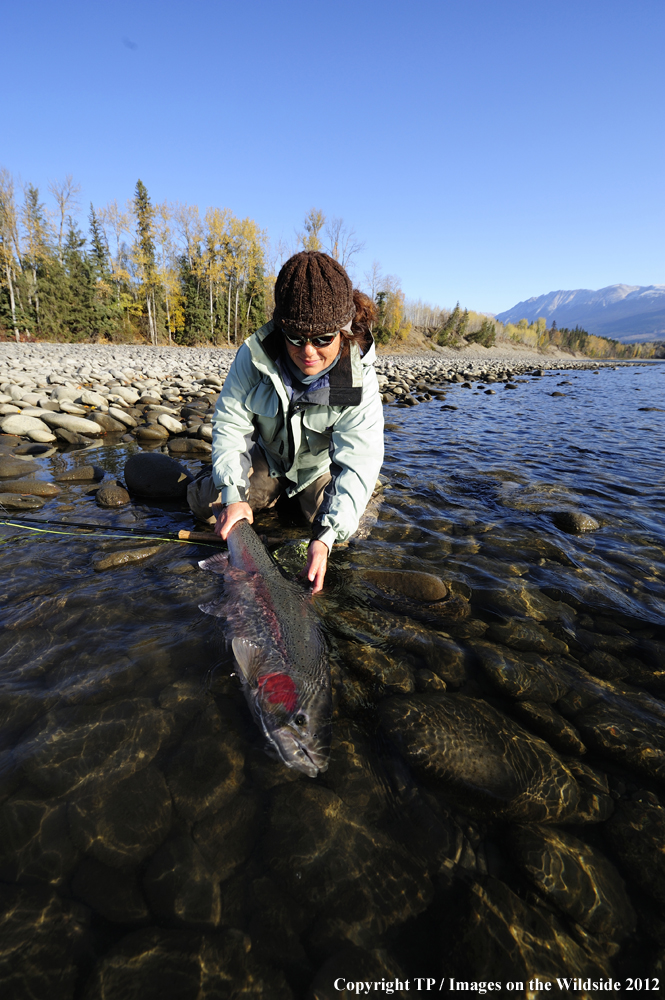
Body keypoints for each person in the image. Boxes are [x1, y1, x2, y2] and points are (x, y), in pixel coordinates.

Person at [187, 251, 384, 593]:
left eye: (323, 338)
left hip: (317, 470)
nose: (308, 350)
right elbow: (231, 424)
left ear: (344, 331)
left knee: (344, 533)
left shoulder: (357, 378)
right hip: (267, 460)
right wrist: (232, 494)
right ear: (282, 329)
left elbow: (358, 461)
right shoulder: (255, 355)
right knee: (207, 508)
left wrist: (324, 537)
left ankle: (360, 497)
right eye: (296, 337)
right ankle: (236, 485)